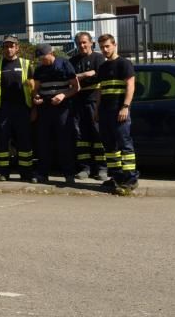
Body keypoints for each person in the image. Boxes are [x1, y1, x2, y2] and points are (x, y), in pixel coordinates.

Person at [95, 34, 139, 195]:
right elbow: (100, 90)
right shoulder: (103, 67)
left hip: (119, 111)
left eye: (107, 46)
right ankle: (116, 177)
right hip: (105, 112)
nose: (105, 50)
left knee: (125, 144)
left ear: (115, 45)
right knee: (110, 147)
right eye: (102, 47)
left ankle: (131, 179)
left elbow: (130, 86)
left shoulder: (124, 64)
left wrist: (125, 106)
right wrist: (96, 110)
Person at [32, 44, 80, 184]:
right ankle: (43, 173)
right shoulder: (39, 70)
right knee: (43, 142)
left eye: (44, 57)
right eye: (40, 58)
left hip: (62, 109)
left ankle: (69, 174)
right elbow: (35, 89)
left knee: (64, 141)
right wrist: (36, 97)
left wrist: (63, 96)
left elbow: (76, 87)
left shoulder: (65, 65)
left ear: (51, 53)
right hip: (45, 109)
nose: (42, 60)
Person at [0, 35, 35, 181]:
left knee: (24, 141)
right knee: (3, 141)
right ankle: (3, 172)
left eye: (11, 46)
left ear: (17, 48)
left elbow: (33, 88)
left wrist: (34, 108)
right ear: (3, 49)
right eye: (6, 46)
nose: (8, 49)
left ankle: (26, 172)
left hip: (22, 108)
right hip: (3, 109)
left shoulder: (26, 64)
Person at [70, 32, 108, 181]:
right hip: (78, 102)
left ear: (91, 43)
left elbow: (100, 75)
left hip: (94, 101)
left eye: (85, 42)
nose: (82, 46)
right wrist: (86, 74)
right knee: (81, 136)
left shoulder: (98, 58)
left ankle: (102, 169)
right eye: (79, 43)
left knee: (97, 134)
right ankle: (85, 168)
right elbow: (69, 78)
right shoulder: (73, 61)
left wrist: (81, 76)